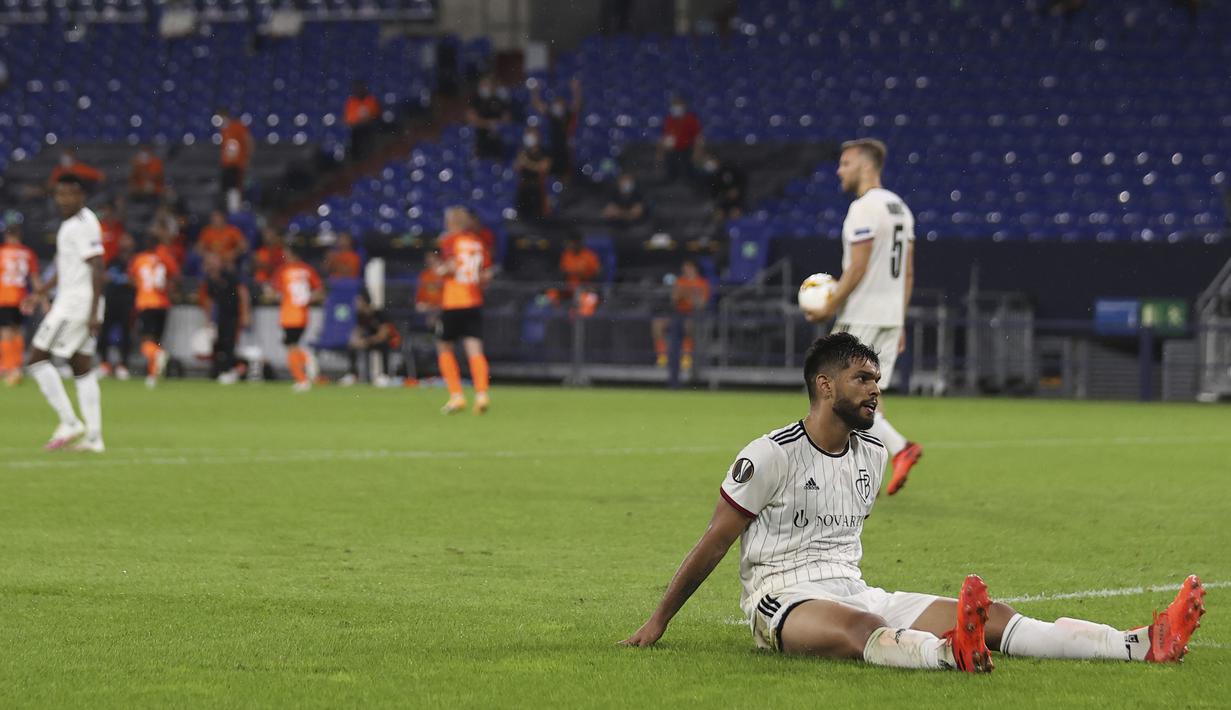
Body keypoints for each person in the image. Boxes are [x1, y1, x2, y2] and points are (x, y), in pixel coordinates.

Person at [621, 332, 1208, 672]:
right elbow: (716, 541)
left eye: (876, 378)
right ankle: (950, 655)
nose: (875, 388)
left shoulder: (872, 453)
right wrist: (657, 621)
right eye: (861, 378)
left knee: (996, 615)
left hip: (854, 585)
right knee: (863, 629)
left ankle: (1136, 644)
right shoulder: (770, 454)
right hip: (783, 598)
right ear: (825, 386)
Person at [802, 138, 922, 496]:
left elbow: (858, 266)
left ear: (865, 165)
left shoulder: (864, 208)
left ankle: (898, 448)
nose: (839, 170)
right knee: (868, 395)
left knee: (829, 390)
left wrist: (828, 305)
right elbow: (909, 273)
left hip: (863, 314)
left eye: (845, 163)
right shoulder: (901, 207)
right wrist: (899, 320)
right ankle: (863, 473)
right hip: (888, 315)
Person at [22, 174, 106, 453]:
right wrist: (41, 292)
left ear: (81, 195)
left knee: (36, 360)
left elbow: (97, 265)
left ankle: (69, 421)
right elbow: (67, 266)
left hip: (76, 305)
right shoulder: (73, 224)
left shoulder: (82, 224)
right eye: (59, 194)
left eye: (69, 194)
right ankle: (94, 437)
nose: (63, 200)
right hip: (77, 302)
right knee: (81, 367)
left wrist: (93, 311)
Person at [436, 207, 493, 414]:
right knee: (475, 350)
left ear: (452, 222)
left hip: (454, 301)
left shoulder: (450, 240)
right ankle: (481, 394)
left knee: (444, 347)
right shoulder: (478, 243)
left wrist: (440, 270)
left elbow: (450, 266)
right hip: (474, 300)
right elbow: (486, 274)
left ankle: (456, 396)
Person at [270, 248, 324, 392]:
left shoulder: (284, 270)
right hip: (302, 315)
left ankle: (304, 372)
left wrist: (272, 295)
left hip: (289, 314)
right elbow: (319, 292)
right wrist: (307, 299)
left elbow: (274, 292)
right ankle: (303, 375)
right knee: (290, 344)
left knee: (290, 346)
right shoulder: (307, 270)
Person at [129, 240, 179, 388]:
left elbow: (132, 278)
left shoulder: (139, 259)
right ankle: (152, 376)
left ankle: (158, 354)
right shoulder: (165, 257)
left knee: (147, 342)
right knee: (156, 339)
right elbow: (174, 275)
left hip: (146, 303)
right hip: (162, 304)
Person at [0, 216, 41, 386]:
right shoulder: (28, 253)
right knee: (18, 331)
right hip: (21, 298)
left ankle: (9, 368)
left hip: (4, 297)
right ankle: (16, 366)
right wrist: (41, 298)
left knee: (5, 332)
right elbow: (34, 278)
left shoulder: (2, 252)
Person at [199, 252, 250, 383]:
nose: (212, 264)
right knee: (218, 345)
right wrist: (208, 320)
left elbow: (243, 293)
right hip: (219, 317)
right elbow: (209, 301)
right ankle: (222, 371)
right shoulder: (210, 279)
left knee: (229, 344)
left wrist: (245, 314)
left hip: (233, 315)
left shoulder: (229, 275)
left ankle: (230, 370)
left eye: (214, 260)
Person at [651, 260, 709, 372]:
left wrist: (688, 296)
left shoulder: (702, 283)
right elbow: (674, 300)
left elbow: (701, 304)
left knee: (688, 325)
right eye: (684, 268)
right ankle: (662, 356)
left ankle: (686, 358)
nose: (685, 270)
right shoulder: (680, 281)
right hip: (678, 314)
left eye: (687, 268)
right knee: (657, 324)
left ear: (694, 268)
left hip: (694, 315)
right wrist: (680, 295)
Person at [340, 289, 402, 386]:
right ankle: (353, 375)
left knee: (384, 345)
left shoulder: (379, 314)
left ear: (365, 301)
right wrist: (356, 340)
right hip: (371, 342)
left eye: (358, 301)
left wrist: (365, 341)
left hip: (390, 341)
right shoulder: (360, 316)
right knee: (352, 346)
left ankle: (385, 375)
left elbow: (383, 335)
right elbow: (358, 331)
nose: (355, 303)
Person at [96, 232, 136, 380]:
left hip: (127, 303)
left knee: (126, 335)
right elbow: (104, 277)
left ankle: (123, 366)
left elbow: (136, 281)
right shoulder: (113, 260)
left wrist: (123, 279)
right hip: (111, 301)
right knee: (104, 333)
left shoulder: (134, 262)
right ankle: (104, 364)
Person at [530, 77, 582, 180]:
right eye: (556, 104)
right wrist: (535, 91)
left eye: (560, 104)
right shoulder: (552, 115)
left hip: (565, 150)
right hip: (553, 149)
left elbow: (577, 105)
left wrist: (576, 90)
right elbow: (537, 104)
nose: (557, 106)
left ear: (564, 105)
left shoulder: (568, 115)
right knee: (551, 174)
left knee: (565, 175)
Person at [658, 96, 703, 183]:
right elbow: (664, 137)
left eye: (678, 105)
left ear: (684, 106)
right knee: (670, 174)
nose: (676, 108)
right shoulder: (669, 120)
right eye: (674, 105)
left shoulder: (691, 119)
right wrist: (661, 151)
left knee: (690, 173)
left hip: (687, 150)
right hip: (672, 151)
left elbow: (698, 137)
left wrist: (697, 152)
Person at [218, 108, 254, 213]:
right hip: (227, 163)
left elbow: (248, 140)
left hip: (236, 163)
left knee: (235, 187)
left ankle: (235, 210)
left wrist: (247, 157)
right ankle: (230, 209)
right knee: (228, 187)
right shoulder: (224, 130)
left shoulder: (237, 126)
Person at [467, 75, 511, 160]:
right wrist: (488, 124)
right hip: (481, 137)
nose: (485, 88)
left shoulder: (498, 100)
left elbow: (507, 118)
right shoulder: (476, 100)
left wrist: (497, 124)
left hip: (497, 138)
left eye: (486, 85)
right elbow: (471, 118)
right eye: (483, 85)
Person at [513, 128, 552, 222]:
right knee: (523, 214)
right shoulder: (523, 151)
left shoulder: (544, 152)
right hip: (523, 185)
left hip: (537, 186)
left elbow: (543, 167)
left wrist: (526, 163)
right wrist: (519, 161)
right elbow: (516, 168)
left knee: (537, 216)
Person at [344, 81, 381, 161]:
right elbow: (349, 119)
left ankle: (371, 156)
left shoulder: (371, 99)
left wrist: (365, 119)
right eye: (357, 89)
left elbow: (375, 114)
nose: (359, 91)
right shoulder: (351, 102)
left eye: (360, 88)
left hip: (370, 127)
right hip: (357, 129)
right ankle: (357, 159)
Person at [703, 154, 747, 220]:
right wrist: (724, 194)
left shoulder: (730, 169)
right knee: (718, 214)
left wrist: (737, 190)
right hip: (721, 201)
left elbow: (743, 181)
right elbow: (712, 191)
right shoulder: (710, 176)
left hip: (737, 201)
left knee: (735, 212)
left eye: (713, 160)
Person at [558, 235, 601, 301]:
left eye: (571, 243)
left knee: (585, 295)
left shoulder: (589, 255)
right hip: (567, 287)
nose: (570, 245)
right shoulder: (566, 255)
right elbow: (562, 271)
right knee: (552, 292)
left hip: (585, 286)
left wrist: (583, 274)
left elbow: (597, 272)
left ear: (578, 243)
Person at [415, 251, 444, 331]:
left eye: (433, 259)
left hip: (443, 306)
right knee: (420, 308)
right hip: (430, 306)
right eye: (428, 260)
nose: (431, 262)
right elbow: (420, 294)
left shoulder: (445, 274)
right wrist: (423, 303)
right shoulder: (425, 275)